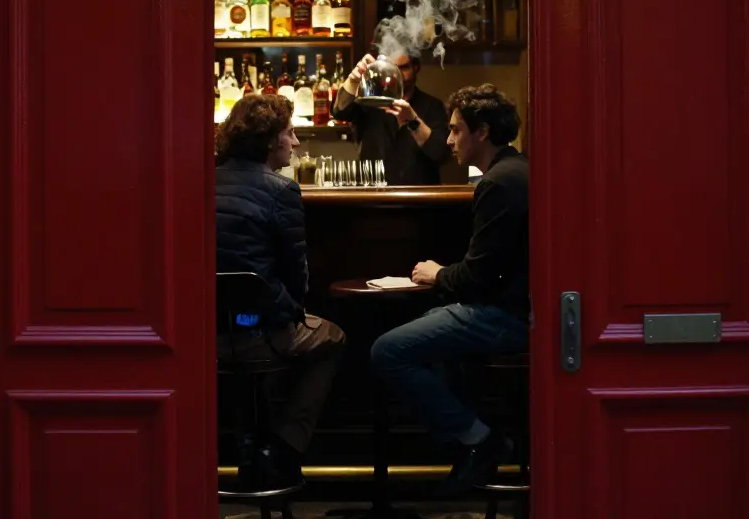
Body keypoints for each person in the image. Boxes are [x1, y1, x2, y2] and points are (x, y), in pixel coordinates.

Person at [369, 84, 529, 496]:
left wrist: (437, 274)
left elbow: (479, 277)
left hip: (506, 317)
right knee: (427, 331)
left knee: (387, 351)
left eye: (457, 130)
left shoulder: (498, 184)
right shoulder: (515, 171)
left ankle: (479, 440)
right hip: (514, 309)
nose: (449, 139)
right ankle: (469, 447)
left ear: (483, 132)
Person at [215, 94, 346, 487]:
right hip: (257, 335)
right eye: (291, 133)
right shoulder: (281, 190)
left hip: (203, 335)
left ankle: (244, 447)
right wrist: (290, 309)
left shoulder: (201, 180)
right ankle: (281, 447)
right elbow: (296, 279)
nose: (297, 142)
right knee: (334, 338)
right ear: (272, 140)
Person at [331, 51, 451, 185]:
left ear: (415, 67)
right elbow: (339, 112)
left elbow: (441, 153)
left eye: (403, 68)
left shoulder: (433, 106)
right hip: (372, 197)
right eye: (391, 68)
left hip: (420, 199)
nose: (396, 74)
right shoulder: (370, 103)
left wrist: (413, 120)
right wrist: (353, 80)